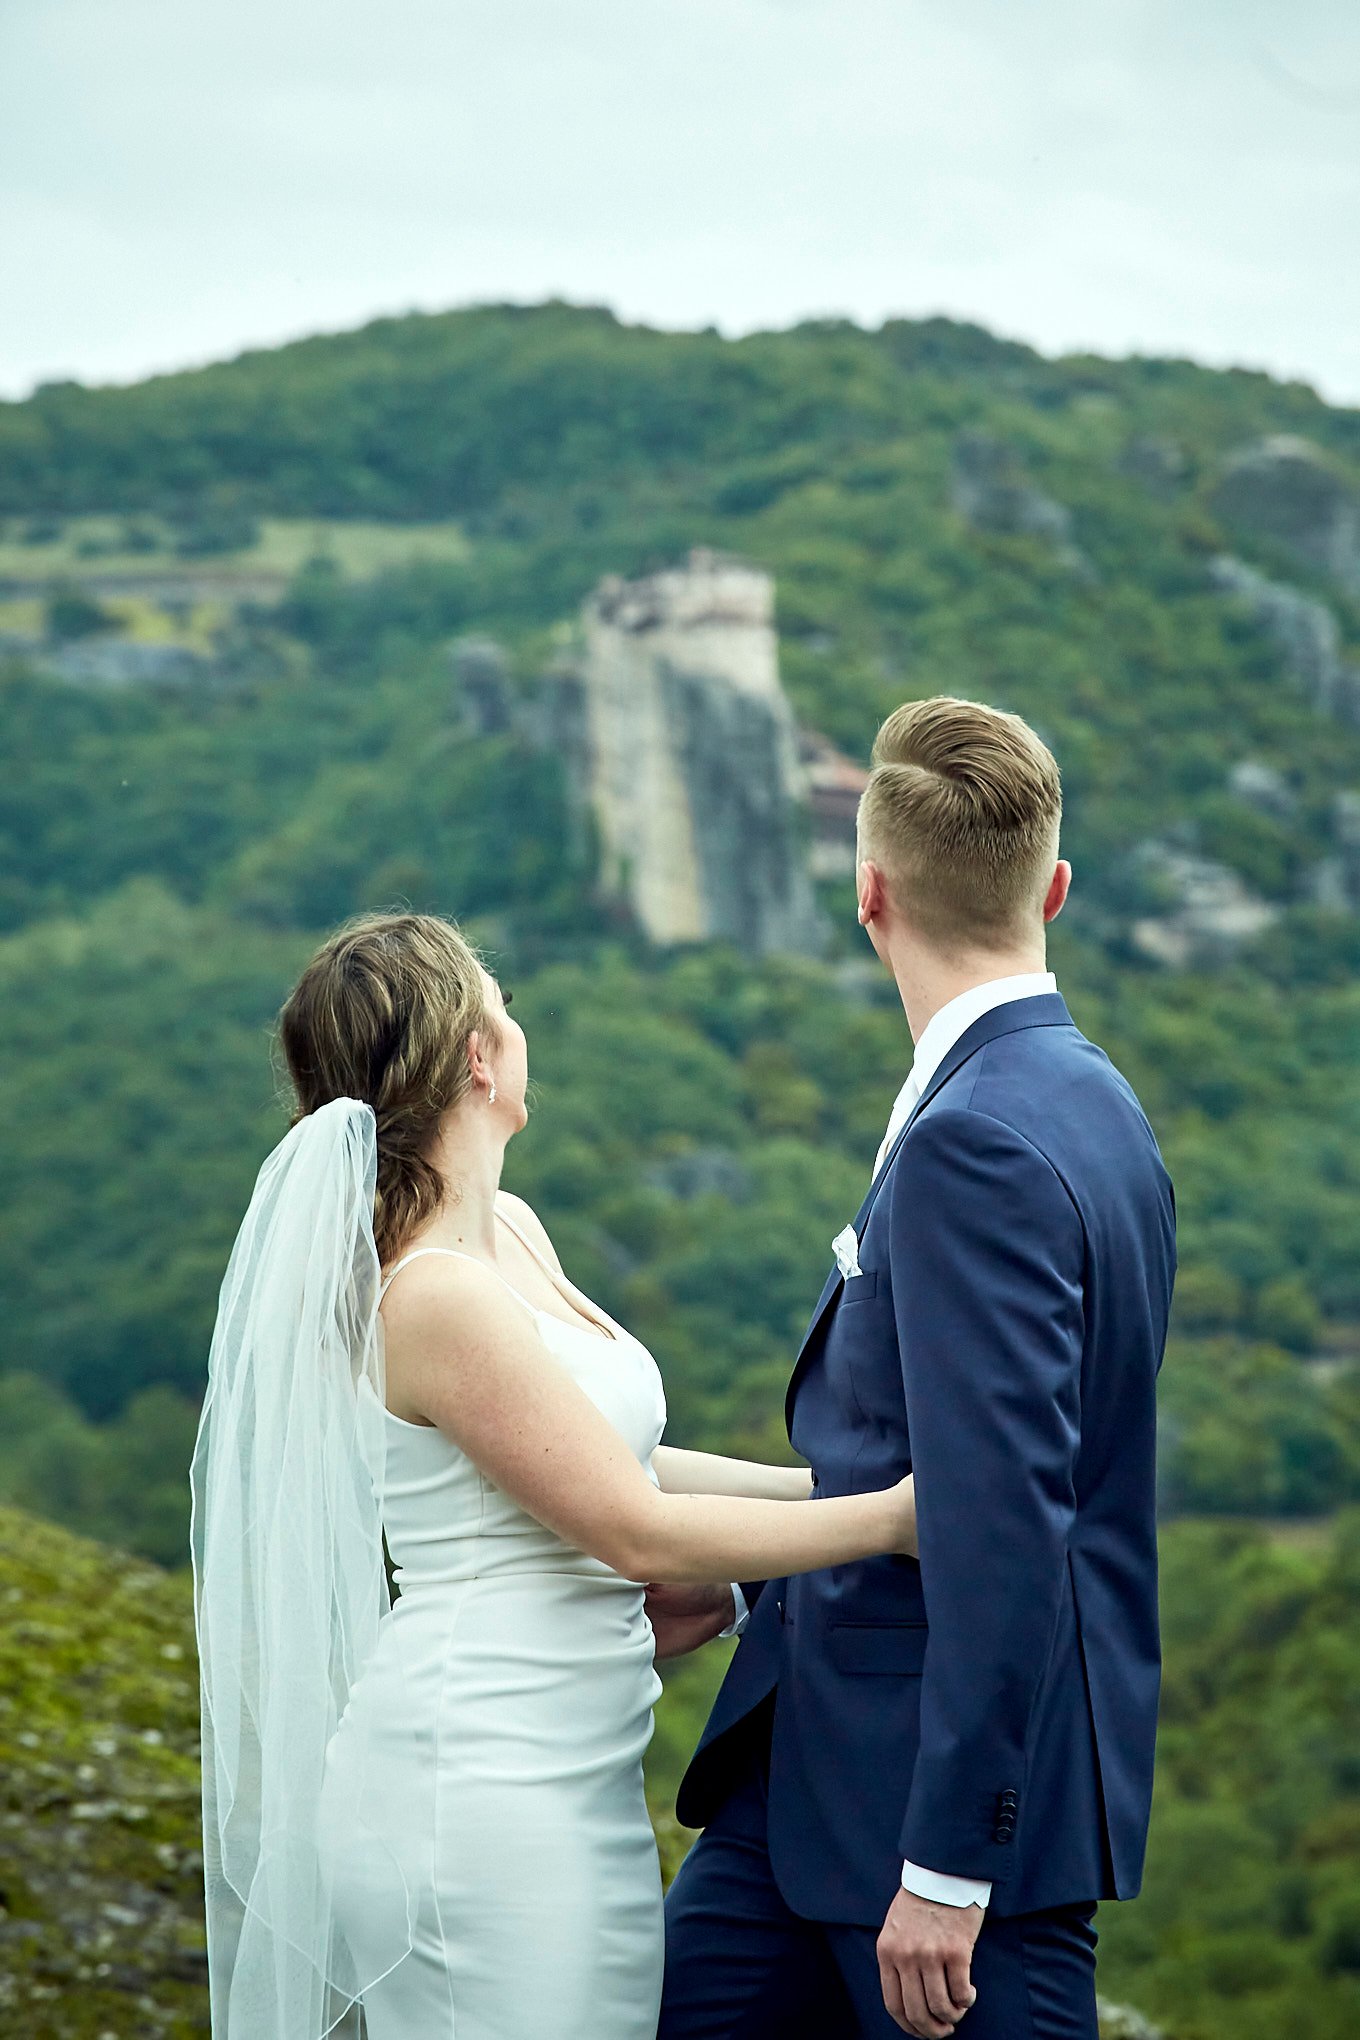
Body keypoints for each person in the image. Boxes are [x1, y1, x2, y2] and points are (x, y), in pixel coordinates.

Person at [189, 910, 917, 2040]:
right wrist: (899, 1521)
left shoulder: (510, 1231)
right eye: (506, 1007)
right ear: (478, 1056)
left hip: (564, 1776)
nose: (519, 1031)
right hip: (477, 1792)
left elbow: (607, 1456)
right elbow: (636, 1532)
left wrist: (825, 1492)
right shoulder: (430, 1293)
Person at [652, 696, 1177, 2039]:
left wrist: (950, 1868)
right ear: (1054, 889)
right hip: (799, 1781)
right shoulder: (1098, 1101)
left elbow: (1002, 1515)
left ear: (868, 894)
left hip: (924, 1827)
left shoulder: (972, 1144)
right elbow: (916, 1459)